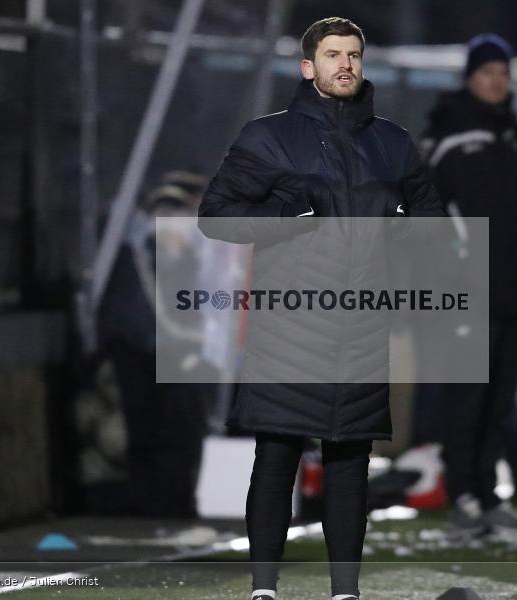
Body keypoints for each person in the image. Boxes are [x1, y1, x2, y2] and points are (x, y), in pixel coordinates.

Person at [198, 17, 443, 600]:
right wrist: (288, 220)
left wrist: (403, 234)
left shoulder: (392, 143)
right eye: (332, 55)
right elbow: (215, 215)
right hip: (288, 321)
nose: (345, 65)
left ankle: (345, 593)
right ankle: (263, 590)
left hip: (361, 323)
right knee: (278, 451)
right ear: (308, 67)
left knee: (349, 460)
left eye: (354, 55)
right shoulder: (269, 137)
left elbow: (433, 224)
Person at [420, 34, 517, 530]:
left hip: (514, 290)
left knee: (499, 400)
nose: (497, 82)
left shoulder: (513, 133)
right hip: (469, 293)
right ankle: (463, 499)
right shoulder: (449, 134)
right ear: (470, 78)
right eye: (487, 73)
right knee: (467, 400)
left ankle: (490, 495)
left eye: (503, 73)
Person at [97, 170, 214, 518]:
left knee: (179, 429)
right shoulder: (139, 253)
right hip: (144, 348)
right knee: (151, 428)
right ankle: (156, 501)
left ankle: (173, 500)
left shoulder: (190, 255)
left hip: (174, 350)